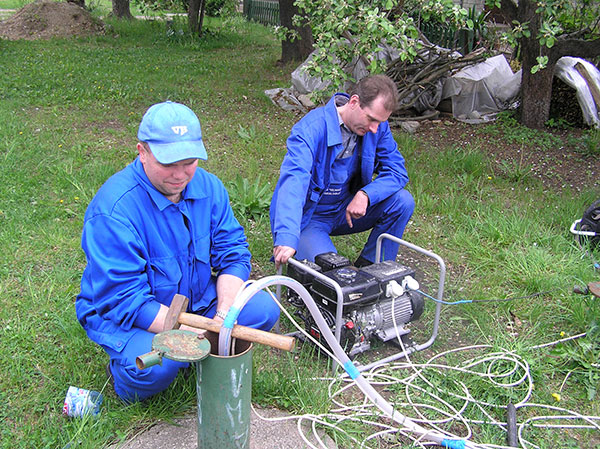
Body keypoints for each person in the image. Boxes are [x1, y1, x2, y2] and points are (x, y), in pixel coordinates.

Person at [76, 101, 280, 403]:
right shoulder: (114, 212)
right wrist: (185, 332)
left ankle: (199, 352)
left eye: (189, 162)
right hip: (132, 315)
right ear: (142, 152)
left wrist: (224, 314)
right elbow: (125, 300)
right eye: (168, 163)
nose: (180, 174)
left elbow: (234, 254)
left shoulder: (209, 188)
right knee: (157, 369)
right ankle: (124, 372)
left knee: (263, 310)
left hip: (197, 299)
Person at [270, 74, 415, 269]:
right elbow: (294, 181)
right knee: (335, 278)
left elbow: (397, 171)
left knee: (402, 202)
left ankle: (373, 266)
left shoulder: (377, 128)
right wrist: (286, 236)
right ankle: (314, 248)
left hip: (345, 211)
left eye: (379, 122)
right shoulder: (310, 129)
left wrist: (366, 195)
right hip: (311, 217)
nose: (374, 129)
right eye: (371, 119)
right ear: (354, 102)